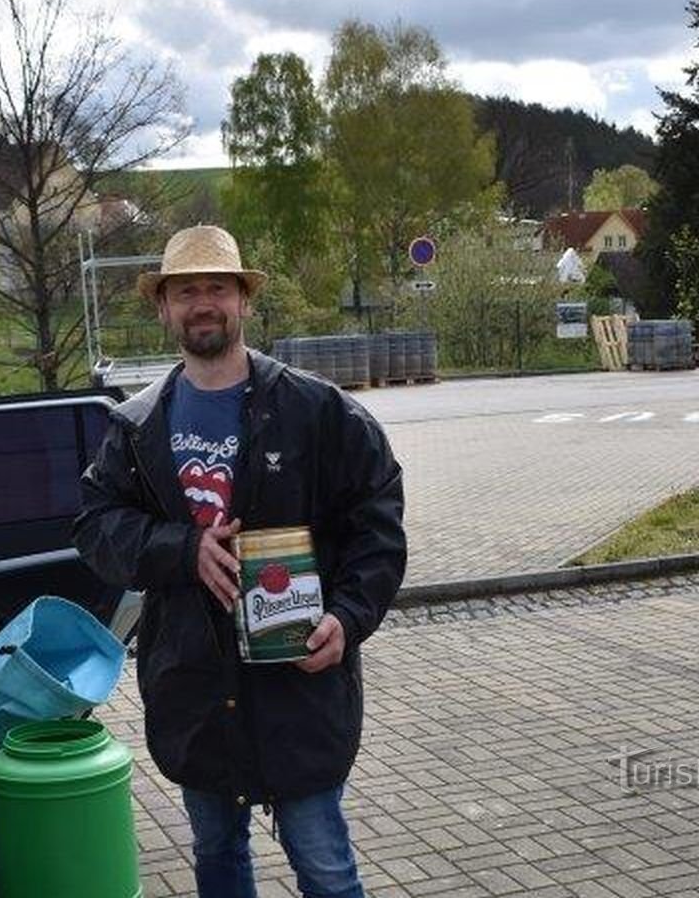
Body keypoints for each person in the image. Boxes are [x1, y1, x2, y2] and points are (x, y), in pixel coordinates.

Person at [74, 224, 406, 898]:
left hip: (299, 684)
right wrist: (183, 548)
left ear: (243, 302)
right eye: (186, 290)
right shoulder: (137, 427)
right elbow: (97, 526)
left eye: (217, 288)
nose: (203, 303)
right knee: (218, 858)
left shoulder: (319, 413)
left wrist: (348, 616)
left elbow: (377, 523)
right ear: (163, 308)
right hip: (194, 687)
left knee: (324, 864)